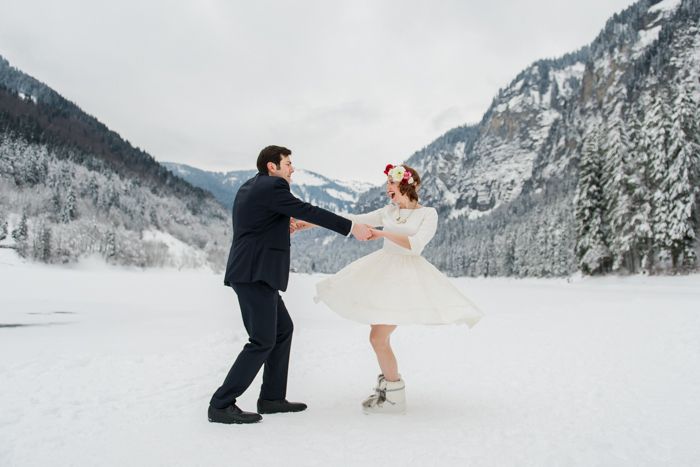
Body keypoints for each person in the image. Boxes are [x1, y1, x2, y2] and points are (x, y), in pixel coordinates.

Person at [296, 163, 483, 415]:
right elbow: (353, 220)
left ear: (406, 184)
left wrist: (383, 233)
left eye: (391, 184)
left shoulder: (429, 213)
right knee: (379, 337)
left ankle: (393, 395)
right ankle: (389, 390)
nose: (387, 189)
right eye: (387, 185)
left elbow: (415, 245)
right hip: (384, 271)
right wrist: (308, 223)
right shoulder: (388, 211)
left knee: (377, 337)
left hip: (408, 277)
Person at [208, 145, 373, 424]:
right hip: (255, 274)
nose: (292, 168)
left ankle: (271, 398)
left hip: (254, 272)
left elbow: (254, 225)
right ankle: (221, 403)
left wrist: (280, 226)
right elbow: (309, 210)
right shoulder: (274, 187)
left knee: (283, 330)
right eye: (287, 163)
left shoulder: (251, 186)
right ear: (272, 167)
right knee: (262, 340)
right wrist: (350, 226)